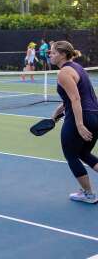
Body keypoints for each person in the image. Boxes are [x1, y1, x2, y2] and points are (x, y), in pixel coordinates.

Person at [48, 41, 98, 204]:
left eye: (53, 52)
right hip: (95, 116)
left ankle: (88, 194)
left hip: (81, 117)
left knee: (71, 155)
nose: (51, 55)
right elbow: (74, 97)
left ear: (63, 55)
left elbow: (76, 99)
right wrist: (56, 114)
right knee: (83, 153)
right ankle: (87, 192)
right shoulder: (78, 68)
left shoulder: (63, 73)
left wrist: (79, 124)